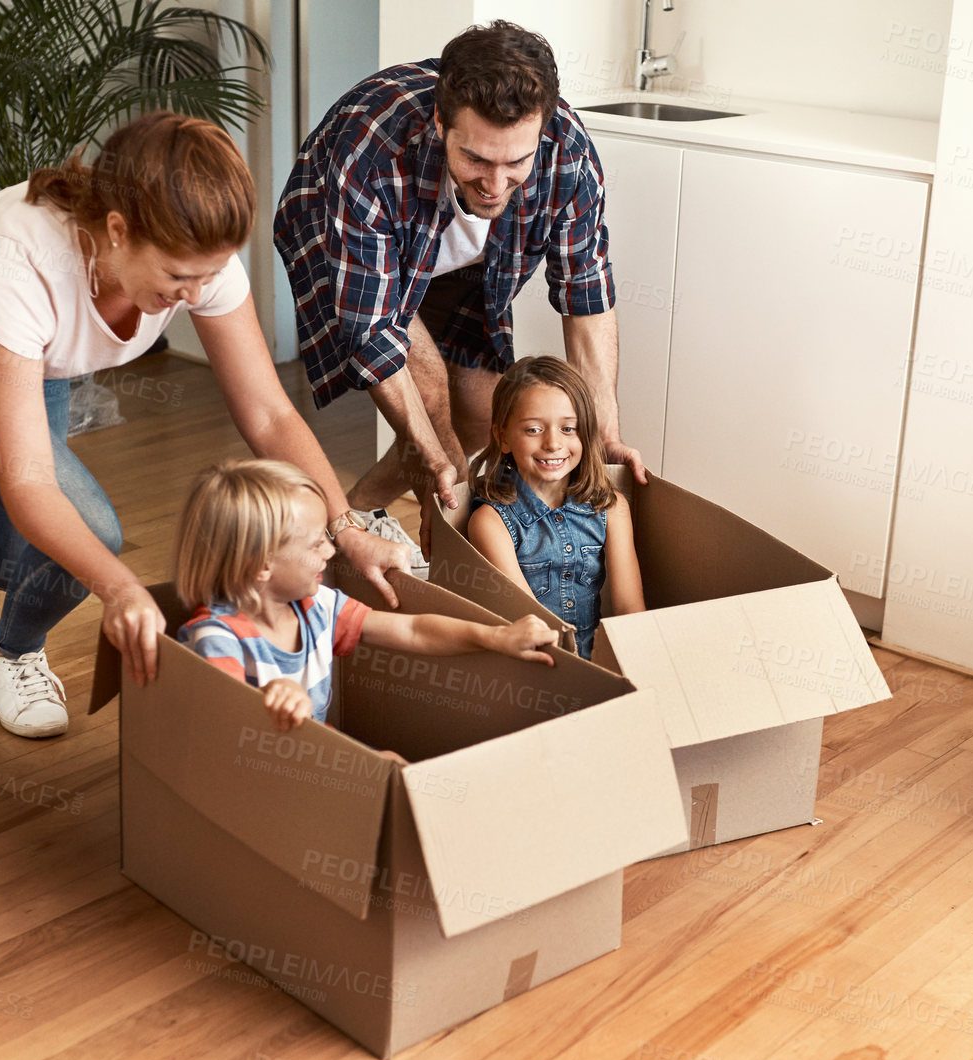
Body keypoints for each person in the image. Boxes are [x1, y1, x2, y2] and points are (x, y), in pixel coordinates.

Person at [0, 111, 407, 739]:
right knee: (89, 537)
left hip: (30, 353)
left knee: (19, 555)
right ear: (117, 230)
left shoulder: (196, 258)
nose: (196, 295)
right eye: (178, 277)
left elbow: (269, 414)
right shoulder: (20, 261)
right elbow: (31, 487)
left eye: (211, 275)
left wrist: (344, 525)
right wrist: (122, 590)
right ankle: (13, 652)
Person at [273, 20, 647, 563]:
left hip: (467, 258)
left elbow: (585, 297)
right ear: (441, 122)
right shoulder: (370, 155)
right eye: (476, 159)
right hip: (349, 233)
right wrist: (437, 468)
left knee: (481, 411)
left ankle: (355, 512)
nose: (496, 185)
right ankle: (390, 541)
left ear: (541, 132)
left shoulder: (570, 155)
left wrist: (605, 434)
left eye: (516, 163)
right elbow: (377, 331)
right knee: (438, 439)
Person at [174, 459, 559, 730]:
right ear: (260, 566)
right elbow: (220, 737)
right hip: (262, 787)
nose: (330, 550)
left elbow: (413, 632)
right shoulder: (217, 639)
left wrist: (495, 636)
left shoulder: (315, 608)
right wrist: (264, 704)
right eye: (314, 545)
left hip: (306, 764)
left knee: (391, 766)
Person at [466, 355, 644, 660]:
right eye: (534, 429)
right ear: (503, 437)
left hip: (600, 662)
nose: (552, 443)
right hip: (535, 665)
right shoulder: (490, 522)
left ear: (586, 434)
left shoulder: (611, 508)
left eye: (568, 429)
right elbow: (525, 621)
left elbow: (630, 610)